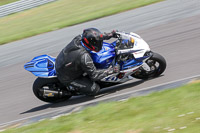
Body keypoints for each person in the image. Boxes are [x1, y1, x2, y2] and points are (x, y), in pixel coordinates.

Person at [55, 28, 118, 96]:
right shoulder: (84, 57)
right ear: (91, 43)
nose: (99, 43)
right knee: (95, 89)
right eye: (97, 43)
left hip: (63, 61)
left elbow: (95, 37)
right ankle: (72, 89)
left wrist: (110, 34)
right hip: (67, 77)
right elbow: (94, 75)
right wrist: (110, 71)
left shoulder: (79, 38)